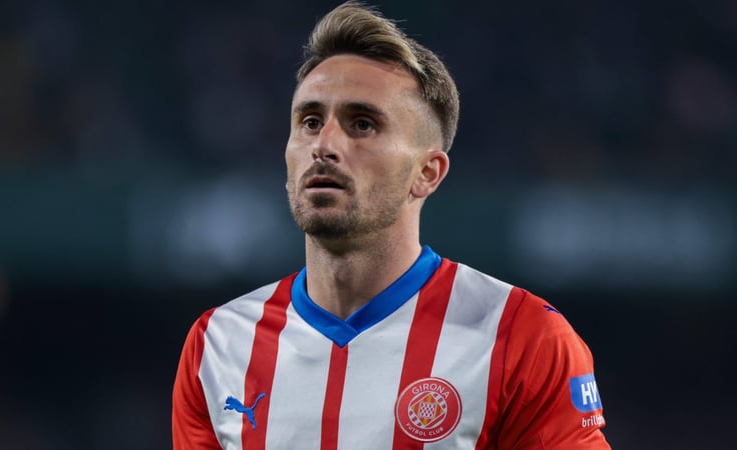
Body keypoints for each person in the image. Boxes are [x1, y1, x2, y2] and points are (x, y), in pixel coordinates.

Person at [172, 2, 611, 449]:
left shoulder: (522, 336)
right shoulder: (218, 345)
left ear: (427, 174)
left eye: (362, 124)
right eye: (310, 121)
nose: (324, 144)